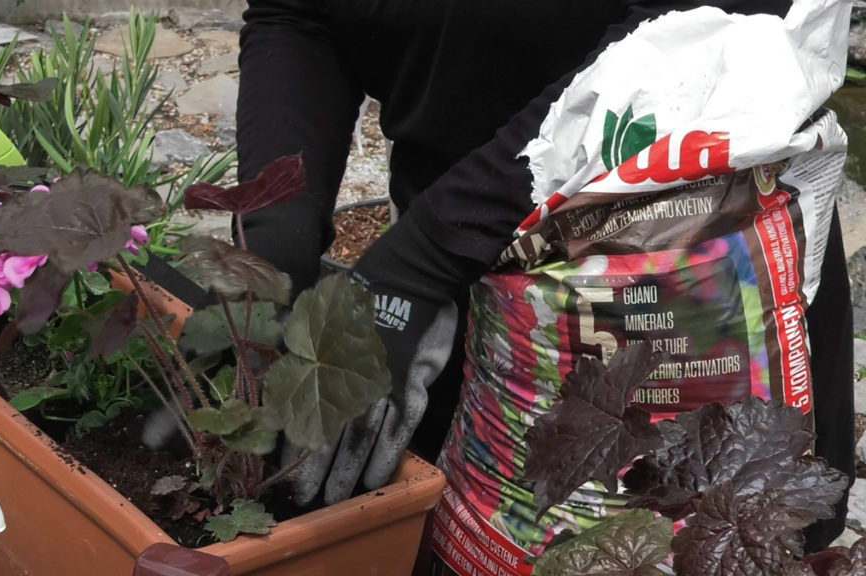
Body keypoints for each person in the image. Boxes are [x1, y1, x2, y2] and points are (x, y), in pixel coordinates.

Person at [233, 0, 855, 567]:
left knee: (706, 534)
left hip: (689, 290)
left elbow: (725, 18)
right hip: (451, 296)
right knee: (458, 536)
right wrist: (276, 239)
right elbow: (300, 15)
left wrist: (421, 263)